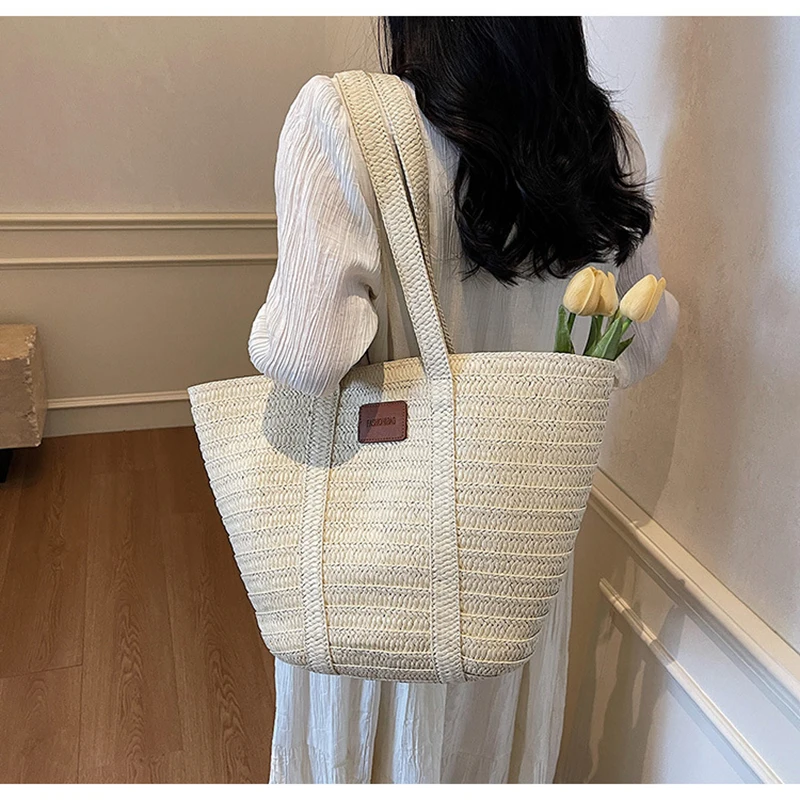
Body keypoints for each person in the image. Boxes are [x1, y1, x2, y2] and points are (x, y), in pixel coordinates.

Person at [247, 17, 679, 783]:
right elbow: (639, 346)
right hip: (517, 557)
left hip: (382, 556)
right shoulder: (602, 142)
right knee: (495, 749)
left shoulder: (344, 120)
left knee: (374, 754)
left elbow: (305, 358)